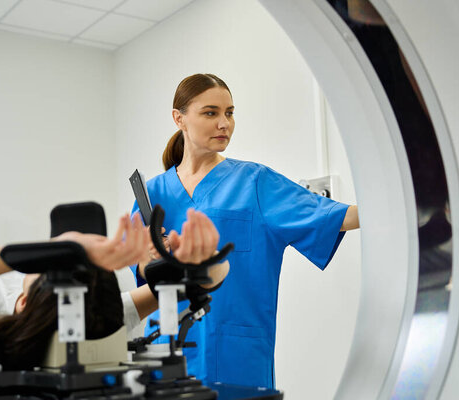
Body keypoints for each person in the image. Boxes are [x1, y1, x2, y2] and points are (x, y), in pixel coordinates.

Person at [131, 73, 360, 388]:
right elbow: (143, 275)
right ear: (179, 119)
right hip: (167, 350)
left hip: (237, 355)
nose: (224, 123)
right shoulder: (152, 194)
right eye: (211, 113)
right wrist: (157, 255)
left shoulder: (255, 182)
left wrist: (411, 199)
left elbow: (337, 217)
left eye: (230, 113)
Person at [0, 211, 229, 369]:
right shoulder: (97, 316)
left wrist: (51, 250)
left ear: (22, 302)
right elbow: (203, 280)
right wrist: (200, 262)